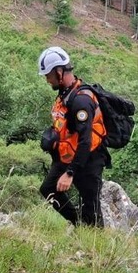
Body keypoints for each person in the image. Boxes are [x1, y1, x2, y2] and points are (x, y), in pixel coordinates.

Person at [36, 46, 111, 227]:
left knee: (90, 210)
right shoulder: (65, 95)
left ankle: (93, 242)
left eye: (48, 75)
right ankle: (78, 223)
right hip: (68, 154)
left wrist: (70, 173)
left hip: (89, 158)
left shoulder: (81, 100)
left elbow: (85, 140)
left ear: (59, 72)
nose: (47, 80)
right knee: (48, 189)